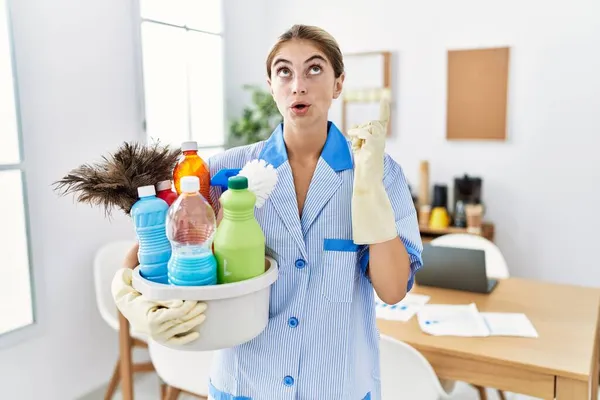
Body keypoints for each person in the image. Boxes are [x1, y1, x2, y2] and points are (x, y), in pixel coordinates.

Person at [112, 24, 423, 400]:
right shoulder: (227, 170)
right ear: (271, 85)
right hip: (245, 384)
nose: (298, 85)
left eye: (314, 69)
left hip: (338, 386)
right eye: (284, 71)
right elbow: (150, 249)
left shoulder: (378, 172)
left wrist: (370, 195)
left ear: (338, 83)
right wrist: (134, 303)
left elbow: (392, 291)